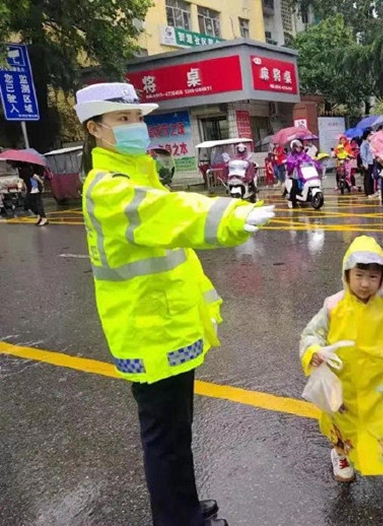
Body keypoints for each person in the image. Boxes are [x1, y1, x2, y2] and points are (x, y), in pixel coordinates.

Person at [74, 82, 275, 526]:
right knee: (164, 438)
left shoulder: (137, 177)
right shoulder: (108, 189)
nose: (136, 127)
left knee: (178, 431)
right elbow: (170, 214)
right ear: (95, 129)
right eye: (124, 120)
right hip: (147, 334)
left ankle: (182, 505)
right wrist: (232, 215)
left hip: (166, 328)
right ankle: (176, 519)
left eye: (138, 118)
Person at [300, 235, 383, 525]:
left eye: (373, 276)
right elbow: (311, 334)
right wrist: (314, 352)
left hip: (379, 391)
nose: (366, 283)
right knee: (341, 430)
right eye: (359, 275)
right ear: (347, 274)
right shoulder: (333, 306)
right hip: (342, 391)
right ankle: (340, 455)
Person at [286, 139, 319, 208]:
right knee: (295, 186)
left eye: (300, 147)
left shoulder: (303, 154)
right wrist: (295, 162)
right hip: (296, 173)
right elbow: (289, 162)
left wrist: (313, 162)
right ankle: (292, 200)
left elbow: (308, 159)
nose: (299, 149)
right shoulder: (291, 155)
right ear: (294, 147)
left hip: (304, 172)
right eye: (297, 147)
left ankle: (307, 195)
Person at [16, 162, 48, 226]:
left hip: (35, 187)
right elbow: (24, 179)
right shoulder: (20, 168)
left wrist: (41, 182)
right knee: (28, 202)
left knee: (37, 202)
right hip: (30, 187)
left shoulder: (27, 167)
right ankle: (39, 215)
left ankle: (44, 218)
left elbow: (33, 175)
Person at [360, 130, 375, 197]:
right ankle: (368, 192)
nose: (370, 136)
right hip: (367, 163)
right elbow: (363, 155)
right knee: (367, 178)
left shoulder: (370, 143)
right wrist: (365, 164)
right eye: (369, 135)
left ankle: (372, 191)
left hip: (372, 162)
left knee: (371, 178)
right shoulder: (364, 144)